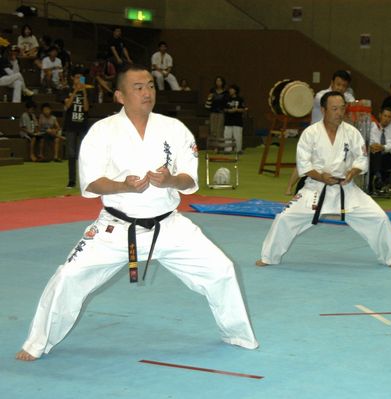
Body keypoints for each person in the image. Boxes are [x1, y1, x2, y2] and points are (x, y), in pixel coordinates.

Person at [15, 64, 258, 362]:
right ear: (119, 95)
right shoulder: (102, 132)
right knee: (68, 276)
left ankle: (237, 333)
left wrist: (169, 180)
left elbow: (190, 180)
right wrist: (123, 186)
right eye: (138, 87)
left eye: (151, 86)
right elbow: (91, 182)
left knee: (221, 269)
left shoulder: (174, 128)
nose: (147, 92)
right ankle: (38, 342)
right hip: (116, 228)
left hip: (168, 226)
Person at [256, 91, 391, 269]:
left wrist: (353, 172)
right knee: (284, 219)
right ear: (324, 110)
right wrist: (321, 176)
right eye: (334, 109)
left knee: (379, 217)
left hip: (346, 189)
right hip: (315, 189)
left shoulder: (352, 133)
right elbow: (303, 165)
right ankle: (269, 256)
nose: (339, 113)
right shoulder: (310, 133)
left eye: (342, 108)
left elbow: (362, 159)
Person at [286, 70, 355, 195]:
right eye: (338, 84)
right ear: (332, 83)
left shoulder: (347, 98)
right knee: (304, 162)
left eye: (344, 86)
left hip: (333, 137)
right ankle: (290, 187)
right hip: (316, 136)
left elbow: (352, 106)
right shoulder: (321, 96)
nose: (341, 88)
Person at [62, 67, 90, 188]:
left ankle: (84, 180)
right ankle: (72, 180)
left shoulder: (87, 91)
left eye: (81, 77)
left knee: (83, 155)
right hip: (70, 126)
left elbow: (86, 108)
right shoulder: (67, 90)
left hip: (82, 126)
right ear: (73, 79)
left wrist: (83, 91)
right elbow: (66, 106)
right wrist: (75, 91)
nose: (79, 80)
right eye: (77, 77)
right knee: (71, 154)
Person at [369, 107, 391, 192]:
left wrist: (382, 147)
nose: (387, 119)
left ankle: (375, 178)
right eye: (385, 116)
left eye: (389, 117)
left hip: (390, 157)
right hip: (375, 155)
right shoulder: (373, 127)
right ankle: (378, 177)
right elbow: (370, 141)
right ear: (380, 115)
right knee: (372, 155)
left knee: (377, 156)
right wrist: (374, 146)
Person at [223, 84, 247, 153]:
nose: (230, 90)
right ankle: (227, 150)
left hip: (237, 121)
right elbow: (224, 109)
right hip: (228, 120)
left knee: (238, 136)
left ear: (235, 90)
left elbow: (243, 109)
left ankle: (238, 149)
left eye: (232, 89)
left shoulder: (240, 99)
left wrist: (236, 110)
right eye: (230, 89)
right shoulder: (226, 99)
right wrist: (228, 110)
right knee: (227, 136)